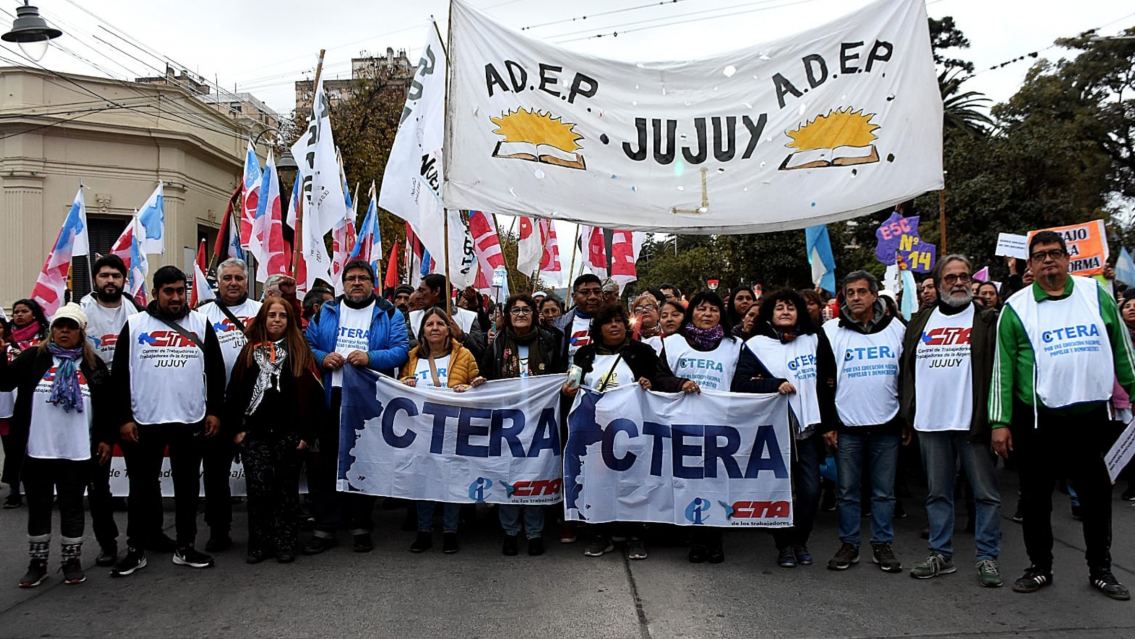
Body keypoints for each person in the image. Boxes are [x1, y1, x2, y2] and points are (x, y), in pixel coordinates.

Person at [990, 231, 1135, 600]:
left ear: (1068, 258)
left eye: (1054, 253)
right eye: (1040, 256)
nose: (1048, 260)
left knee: (1096, 498)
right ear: (1030, 264)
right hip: (1039, 421)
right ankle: (1039, 566)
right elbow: (1002, 369)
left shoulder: (1095, 294)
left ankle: (1101, 569)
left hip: (1090, 418)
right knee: (1036, 499)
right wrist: (1000, 422)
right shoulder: (1016, 307)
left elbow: (1122, 348)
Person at [109, 266, 227, 577]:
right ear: (155, 293)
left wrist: (214, 411)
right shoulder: (135, 325)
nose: (176, 297)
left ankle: (185, 546)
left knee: (187, 488)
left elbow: (216, 372)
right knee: (141, 488)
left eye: (180, 291)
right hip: (144, 420)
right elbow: (119, 377)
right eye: (168, 291)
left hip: (190, 420)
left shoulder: (200, 323)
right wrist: (124, 418)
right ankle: (136, 548)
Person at [900, 255, 1003, 587]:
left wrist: (999, 420)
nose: (959, 282)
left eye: (964, 276)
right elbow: (907, 369)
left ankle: (987, 557)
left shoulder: (988, 319)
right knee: (938, 494)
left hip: (973, 423)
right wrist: (908, 414)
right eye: (951, 278)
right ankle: (940, 554)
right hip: (930, 423)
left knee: (985, 494)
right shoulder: (920, 321)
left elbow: (1000, 370)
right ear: (938, 282)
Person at [0, 304, 113, 587]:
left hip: (77, 452)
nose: (64, 331)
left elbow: (106, 408)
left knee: (72, 506)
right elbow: (3, 382)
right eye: (59, 326)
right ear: (52, 331)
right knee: (38, 508)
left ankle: (71, 561)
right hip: (37, 451)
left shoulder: (94, 366)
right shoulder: (33, 358)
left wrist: (105, 439)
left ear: (81, 333)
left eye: (71, 327)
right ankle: (37, 564)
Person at [304, 259, 409, 555]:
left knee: (362, 462)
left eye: (363, 278)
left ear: (372, 283)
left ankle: (360, 524)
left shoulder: (389, 313)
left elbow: (401, 350)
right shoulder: (326, 311)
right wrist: (323, 357)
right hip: (331, 397)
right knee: (324, 465)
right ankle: (325, 526)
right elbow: (307, 346)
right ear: (343, 283)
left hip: (367, 401)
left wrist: (370, 358)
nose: (357, 282)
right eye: (351, 278)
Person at [734, 289, 836, 569]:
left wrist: (829, 425)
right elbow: (740, 383)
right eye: (779, 307)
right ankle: (784, 545)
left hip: (807, 431)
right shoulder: (756, 345)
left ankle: (800, 540)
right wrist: (774, 384)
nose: (786, 311)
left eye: (791, 307)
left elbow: (828, 382)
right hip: (774, 433)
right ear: (770, 313)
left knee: (810, 492)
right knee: (779, 493)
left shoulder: (814, 339)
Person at [226, 298, 323, 564]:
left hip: (289, 434)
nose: (277, 320)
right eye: (272, 315)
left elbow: (314, 398)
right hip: (254, 434)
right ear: (263, 319)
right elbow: (234, 393)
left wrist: (306, 435)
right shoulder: (249, 351)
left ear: (290, 321)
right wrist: (237, 431)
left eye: (282, 315)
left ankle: (285, 543)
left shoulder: (300, 352)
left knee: (286, 490)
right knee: (258, 490)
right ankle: (260, 544)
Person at [563, 304, 663, 560]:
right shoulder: (585, 354)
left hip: (633, 431)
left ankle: (635, 536)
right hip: (595, 433)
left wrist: (651, 382)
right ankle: (600, 534)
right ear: (599, 329)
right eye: (608, 322)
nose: (615, 325)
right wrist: (568, 390)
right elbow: (573, 383)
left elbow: (662, 379)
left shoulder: (642, 352)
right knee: (598, 483)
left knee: (634, 482)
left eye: (619, 321)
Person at [823, 270, 907, 574]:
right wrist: (828, 424)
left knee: (884, 492)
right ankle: (849, 543)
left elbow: (907, 377)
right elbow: (823, 381)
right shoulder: (831, 330)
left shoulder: (897, 329)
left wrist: (906, 419)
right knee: (847, 492)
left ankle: (882, 544)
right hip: (847, 426)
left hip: (887, 425)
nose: (856, 297)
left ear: (874, 295)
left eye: (861, 292)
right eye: (850, 293)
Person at [656, 291, 743, 563]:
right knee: (689, 484)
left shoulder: (735, 345)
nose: (707, 314)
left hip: (720, 427)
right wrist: (679, 383)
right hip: (683, 425)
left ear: (721, 315)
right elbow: (658, 376)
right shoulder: (674, 343)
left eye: (714, 309)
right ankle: (696, 541)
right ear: (691, 312)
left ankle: (715, 540)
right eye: (701, 308)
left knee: (717, 484)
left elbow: (742, 381)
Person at [480, 294, 564, 556]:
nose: (520, 314)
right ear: (507, 315)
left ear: (534, 314)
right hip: (508, 420)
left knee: (535, 474)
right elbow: (486, 373)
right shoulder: (497, 343)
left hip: (541, 418)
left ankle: (534, 532)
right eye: (515, 310)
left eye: (526, 309)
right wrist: (479, 382)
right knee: (509, 474)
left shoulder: (549, 340)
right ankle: (510, 531)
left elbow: (559, 373)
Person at [401, 308, 485, 554]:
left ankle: (450, 531)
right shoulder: (411, 357)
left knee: (451, 480)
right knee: (424, 481)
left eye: (440, 323)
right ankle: (424, 530)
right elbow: (399, 387)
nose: (435, 328)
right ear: (423, 331)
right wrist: (405, 383)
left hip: (453, 430)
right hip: (421, 432)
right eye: (430, 324)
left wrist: (470, 387)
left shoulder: (464, 355)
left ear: (449, 329)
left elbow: (477, 386)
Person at [78, 254, 142, 567]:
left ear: (123, 280)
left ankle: (144, 536)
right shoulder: (80, 312)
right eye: (104, 275)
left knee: (142, 477)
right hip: (96, 403)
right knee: (98, 483)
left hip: (130, 401)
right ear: (95, 279)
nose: (110, 281)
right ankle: (107, 543)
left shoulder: (136, 310)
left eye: (115, 276)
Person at [196, 257, 262, 553]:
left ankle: (261, 531)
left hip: (256, 406)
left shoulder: (260, 311)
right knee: (215, 473)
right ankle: (218, 529)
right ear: (218, 283)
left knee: (259, 472)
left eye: (239, 278)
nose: (233, 283)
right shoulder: (201, 315)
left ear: (246, 282)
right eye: (227, 278)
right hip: (217, 407)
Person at [2, 299, 49, 509]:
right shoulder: (6, 338)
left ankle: (43, 489)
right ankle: (14, 490)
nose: (19, 315)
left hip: (35, 399)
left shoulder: (45, 337)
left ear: (34, 314)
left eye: (24, 311)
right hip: (8, 400)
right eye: (16, 312)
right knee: (13, 447)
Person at [410, 274, 487, 359]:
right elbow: (406, 346)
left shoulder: (468, 318)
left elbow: (479, 353)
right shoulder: (413, 318)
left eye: (422, 290)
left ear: (436, 291)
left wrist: (462, 336)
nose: (418, 296)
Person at [553, 274, 606, 367]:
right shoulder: (559, 326)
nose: (592, 297)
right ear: (574, 297)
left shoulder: (614, 323)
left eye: (597, 292)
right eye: (585, 292)